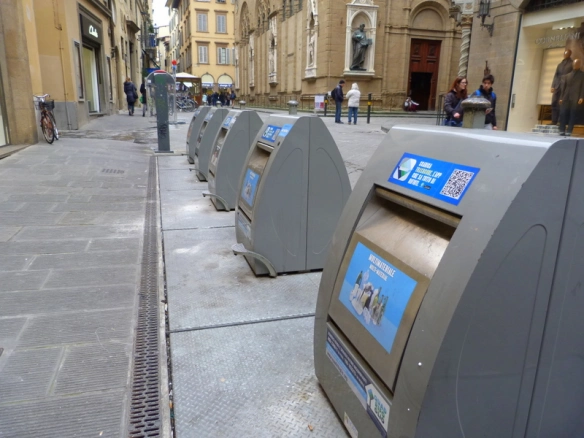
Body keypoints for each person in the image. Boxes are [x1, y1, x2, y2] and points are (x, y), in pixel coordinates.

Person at [559, 58, 584, 137]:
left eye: (577, 63)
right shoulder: (567, 76)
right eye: (574, 63)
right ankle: (562, 129)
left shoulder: (582, 75)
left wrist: (581, 97)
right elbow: (563, 88)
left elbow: (583, 87)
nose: (575, 65)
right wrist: (561, 97)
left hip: (575, 97)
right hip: (566, 96)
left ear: (579, 65)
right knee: (563, 113)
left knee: (572, 114)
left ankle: (569, 130)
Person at [551, 50, 573, 125]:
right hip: (557, 85)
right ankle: (554, 120)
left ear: (570, 54)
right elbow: (556, 75)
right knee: (554, 102)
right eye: (564, 53)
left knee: (562, 103)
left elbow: (572, 76)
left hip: (566, 86)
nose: (565, 54)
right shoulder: (560, 64)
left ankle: (560, 121)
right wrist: (553, 85)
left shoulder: (572, 63)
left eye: (567, 53)